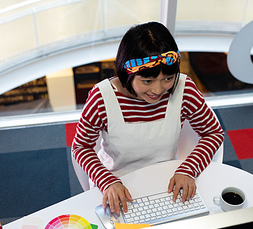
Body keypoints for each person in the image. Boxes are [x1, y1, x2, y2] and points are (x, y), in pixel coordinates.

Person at [72, 21, 224, 214]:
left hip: (168, 178)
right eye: (147, 81)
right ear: (127, 73)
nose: (158, 90)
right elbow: (80, 147)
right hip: (115, 180)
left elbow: (213, 132)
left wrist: (188, 169)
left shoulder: (185, 89)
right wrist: (107, 181)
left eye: (168, 79)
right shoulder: (101, 98)